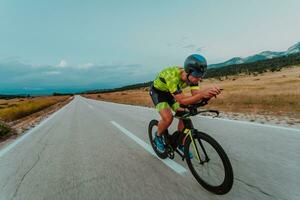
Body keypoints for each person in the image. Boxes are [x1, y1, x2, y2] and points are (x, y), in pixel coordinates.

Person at [149, 54, 221, 155]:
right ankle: (158, 136)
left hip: (171, 93)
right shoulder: (172, 77)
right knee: (168, 118)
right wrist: (202, 94)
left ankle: (180, 143)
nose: (199, 79)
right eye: (197, 76)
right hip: (159, 93)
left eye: (201, 76)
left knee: (184, 115)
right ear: (188, 72)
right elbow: (182, 100)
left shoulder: (193, 78)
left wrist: (208, 95)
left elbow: (196, 97)